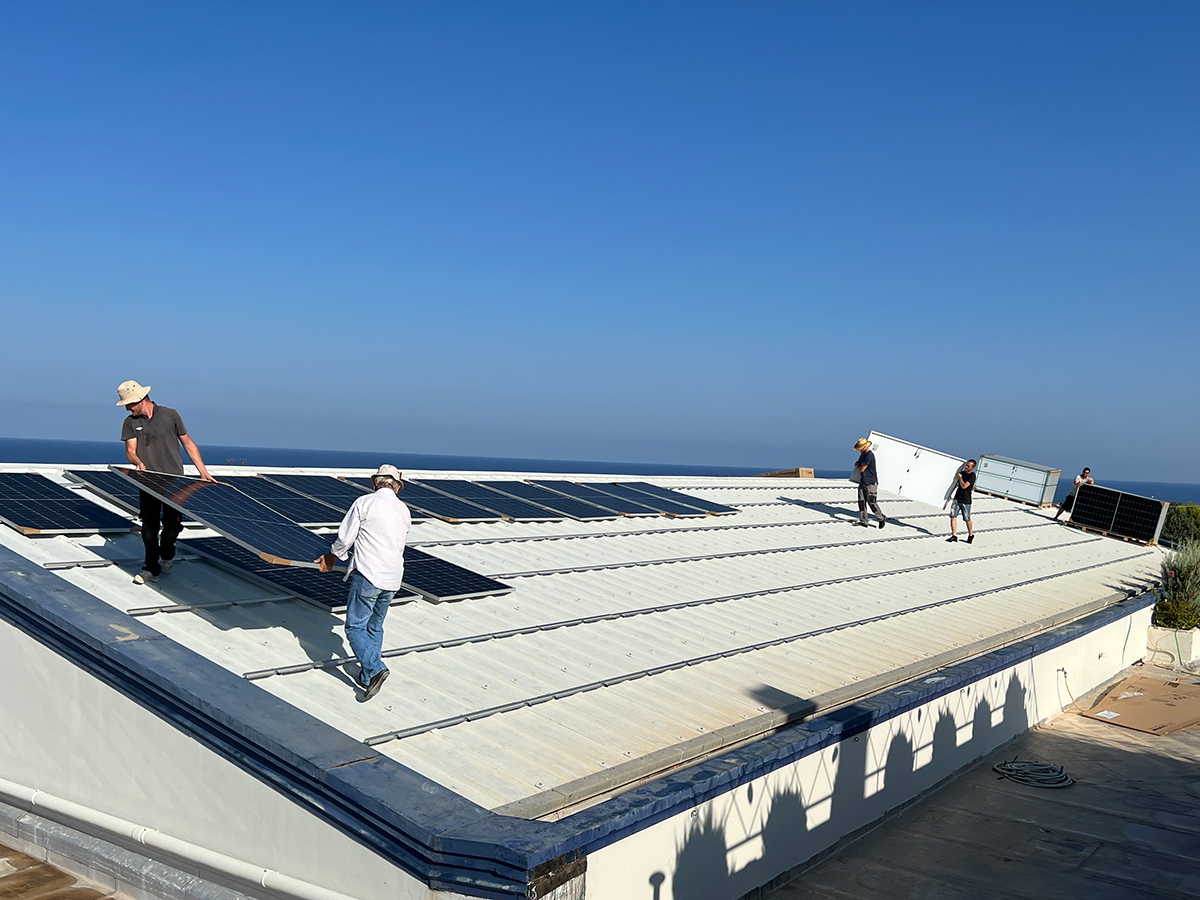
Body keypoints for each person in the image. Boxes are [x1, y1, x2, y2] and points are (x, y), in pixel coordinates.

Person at [317, 465, 411, 700]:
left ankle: (376, 668)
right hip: (392, 579)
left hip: (368, 574)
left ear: (374, 483)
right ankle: (368, 677)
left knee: (355, 627)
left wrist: (332, 556)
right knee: (375, 627)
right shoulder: (404, 510)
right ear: (397, 487)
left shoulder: (365, 502)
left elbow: (345, 538)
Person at [117, 380, 215, 584]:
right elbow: (130, 451)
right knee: (149, 529)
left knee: (171, 529)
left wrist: (203, 472)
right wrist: (137, 462)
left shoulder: (170, 415)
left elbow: (187, 443)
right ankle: (150, 568)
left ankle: (167, 555)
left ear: (141, 400)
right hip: (148, 481)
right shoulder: (130, 422)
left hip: (174, 481)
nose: (127, 408)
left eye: (129, 404)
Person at [853, 437, 887, 529]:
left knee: (872, 502)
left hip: (870, 483)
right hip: (863, 481)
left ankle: (881, 518)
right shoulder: (863, 455)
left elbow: (862, 468)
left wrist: (858, 465)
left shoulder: (869, 455)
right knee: (861, 501)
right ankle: (863, 521)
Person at [948, 459, 977, 544]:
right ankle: (954, 535)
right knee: (953, 516)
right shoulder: (962, 473)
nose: (966, 467)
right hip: (957, 498)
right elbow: (955, 484)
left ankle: (970, 535)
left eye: (968, 466)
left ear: (972, 467)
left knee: (967, 519)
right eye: (966, 465)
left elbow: (964, 486)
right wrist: (950, 494)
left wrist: (960, 478)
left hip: (966, 500)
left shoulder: (972, 476)